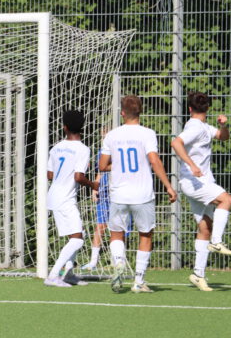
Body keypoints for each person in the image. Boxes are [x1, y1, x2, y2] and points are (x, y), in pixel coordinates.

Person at [99, 95, 177, 293]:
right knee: (146, 234)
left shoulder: (112, 135)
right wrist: (168, 186)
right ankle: (139, 281)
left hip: (118, 194)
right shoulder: (147, 133)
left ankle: (118, 263)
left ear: (122, 113)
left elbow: (102, 165)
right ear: (140, 112)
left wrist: (117, 165)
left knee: (116, 234)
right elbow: (154, 160)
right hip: (142, 194)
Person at [170, 91, 231, 292]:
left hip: (199, 182)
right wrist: (192, 165)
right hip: (195, 182)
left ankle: (198, 275)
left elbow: (223, 137)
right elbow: (176, 142)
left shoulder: (204, 127)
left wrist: (224, 126)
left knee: (205, 227)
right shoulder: (195, 127)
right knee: (226, 199)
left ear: (190, 108)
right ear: (207, 108)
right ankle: (217, 241)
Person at [44, 110, 96, 287]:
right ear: (82, 127)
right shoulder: (83, 149)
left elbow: (49, 175)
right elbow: (78, 177)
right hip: (65, 198)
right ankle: (53, 276)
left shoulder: (56, 147)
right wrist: (93, 185)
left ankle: (68, 273)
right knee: (78, 239)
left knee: (77, 234)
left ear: (64, 127)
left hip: (55, 195)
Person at [82, 127, 112, 272]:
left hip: (117, 192)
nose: (104, 139)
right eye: (102, 137)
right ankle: (93, 261)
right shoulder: (102, 152)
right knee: (100, 226)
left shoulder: (117, 151)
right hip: (104, 192)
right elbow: (100, 172)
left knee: (117, 227)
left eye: (106, 137)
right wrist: (95, 187)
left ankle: (117, 260)